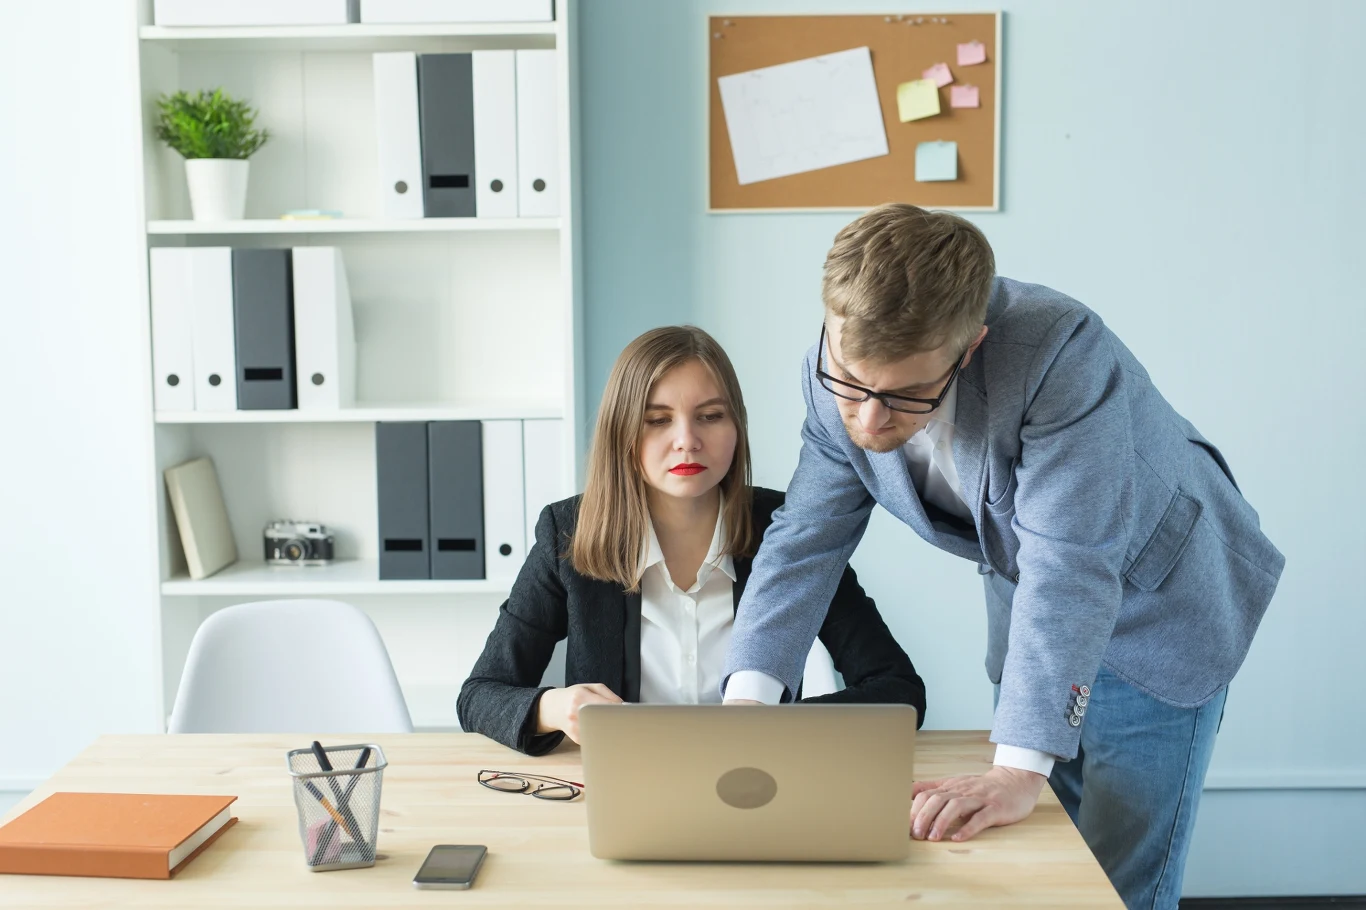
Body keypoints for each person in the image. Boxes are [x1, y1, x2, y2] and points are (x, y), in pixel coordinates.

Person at [721, 204, 1284, 910]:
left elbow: (1070, 561)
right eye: (851, 383)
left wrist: (1018, 770)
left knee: (1114, 887)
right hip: (1037, 617)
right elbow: (804, 538)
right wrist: (743, 711)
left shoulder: (1061, 351)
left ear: (969, 348)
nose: (866, 418)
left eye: (903, 394)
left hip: (1158, 602)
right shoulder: (833, 367)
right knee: (1035, 870)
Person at [457, 325, 926, 755]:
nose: (686, 440)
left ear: (736, 427)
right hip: (623, 786)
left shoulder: (789, 528)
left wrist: (779, 723)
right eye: (657, 420)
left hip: (756, 781)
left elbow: (899, 688)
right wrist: (556, 708)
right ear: (622, 430)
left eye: (710, 416)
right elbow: (479, 694)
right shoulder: (567, 531)